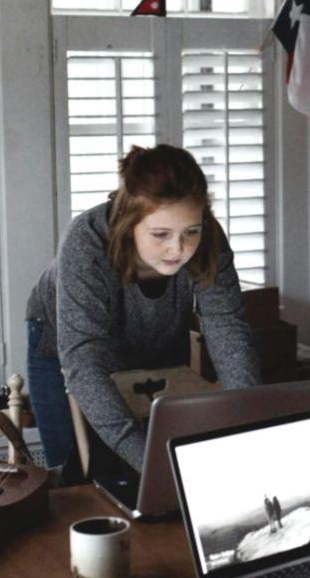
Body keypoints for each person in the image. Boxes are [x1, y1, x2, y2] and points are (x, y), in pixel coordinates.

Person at [25, 145, 261, 476]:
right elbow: (84, 362)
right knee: (74, 477)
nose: (178, 249)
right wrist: (151, 464)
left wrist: (246, 426)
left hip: (155, 335)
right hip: (66, 345)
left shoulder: (208, 239)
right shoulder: (86, 241)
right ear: (128, 222)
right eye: (160, 234)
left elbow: (228, 330)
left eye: (190, 232)